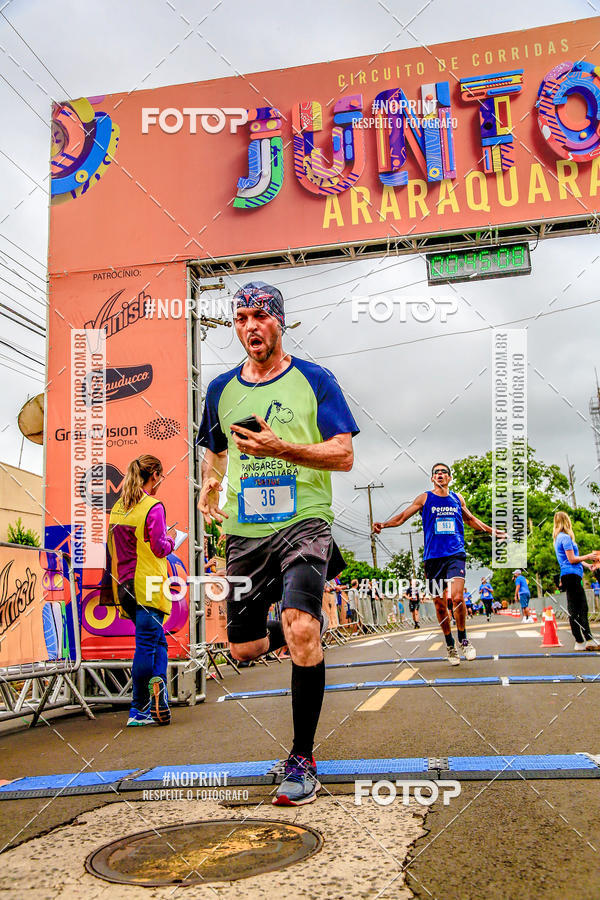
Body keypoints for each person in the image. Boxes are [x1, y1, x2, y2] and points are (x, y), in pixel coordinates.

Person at [197, 281, 359, 806]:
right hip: (245, 530)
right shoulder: (220, 390)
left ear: (279, 322)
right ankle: (292, 623)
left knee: (303, 629)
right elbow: (216, 452)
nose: (249, 327)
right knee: (242, 647)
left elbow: (342, 454)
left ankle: (303, 757)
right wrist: (210, 483)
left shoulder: (315, 379)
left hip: (304, 520)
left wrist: (281, 447)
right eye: (240, 318)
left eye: (259, 317)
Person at [373, 462, 505, 665]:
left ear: (450, 478)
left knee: (457, 597)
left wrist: (492, 531)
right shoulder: (425, 498)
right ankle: (450, 644)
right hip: (433, 558)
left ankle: (463, 639)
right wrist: (384, 524)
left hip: (455, 554)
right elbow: (402, 517)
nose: (440, 475)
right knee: (440, 604)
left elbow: (471, 520)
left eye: (444, 472)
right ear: (432, 478)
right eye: (436, 473)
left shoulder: (457, 498)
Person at [102, 455, 174, 726]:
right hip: (149, 585)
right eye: (161, 476)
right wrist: (172, 542)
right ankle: (139, 709)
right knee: (146, 645)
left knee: (157, 642)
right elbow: (159, 547)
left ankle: (159, 690)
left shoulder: (120, 507)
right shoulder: (152, 506)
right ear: (154, 474)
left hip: (123, 587)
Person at [553, 511, 600, 650]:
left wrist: (587, 565)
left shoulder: (558, 539)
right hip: (572, 576)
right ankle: (587, 640)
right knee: (581, 608)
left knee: (574, 608)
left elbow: (573, 560)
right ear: (566, 522)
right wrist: (588, 556)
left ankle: (580, 641)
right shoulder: (566, 538)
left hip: (568, 575)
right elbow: (572, 559)